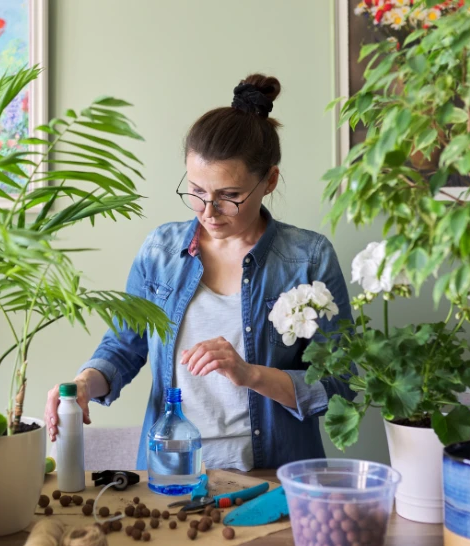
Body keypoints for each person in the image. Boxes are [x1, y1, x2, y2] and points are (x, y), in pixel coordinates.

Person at [45, 74, 355, 471]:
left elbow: (340, 384)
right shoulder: (160, 252)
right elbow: (123, 348)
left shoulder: (308, 258)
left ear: (270, 180)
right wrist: (85, 385)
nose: (208, 211)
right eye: (196, 191)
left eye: (229, 196)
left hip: (276, 474)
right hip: (170, 471)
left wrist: (251, 374)